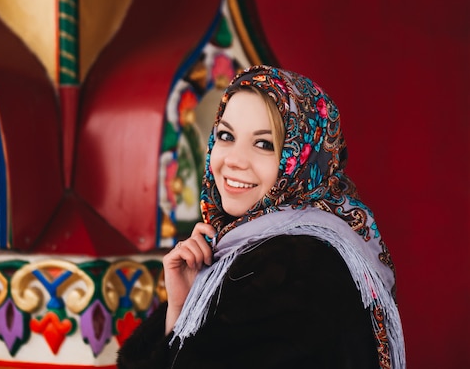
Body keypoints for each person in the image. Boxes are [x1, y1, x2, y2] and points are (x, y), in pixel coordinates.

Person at [117, 65, 405, 369]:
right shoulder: (252, 251)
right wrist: (181, 304)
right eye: (226, 136)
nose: (234, 160)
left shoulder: (294, 267)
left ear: (301, 159)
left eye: (264, 144)